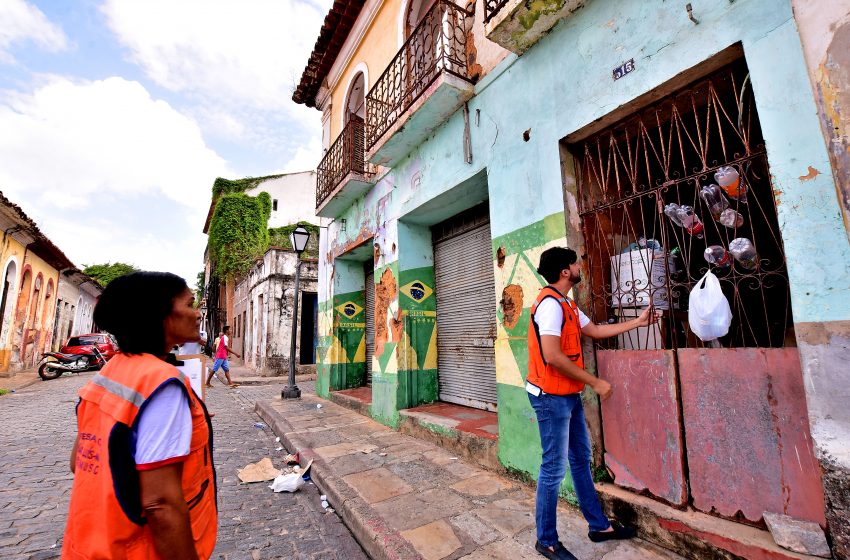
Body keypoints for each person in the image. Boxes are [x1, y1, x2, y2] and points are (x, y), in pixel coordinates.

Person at [62, 272, 217, 560]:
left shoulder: (111, 371)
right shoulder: (161, 383)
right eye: (190, 304)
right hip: (139, 549)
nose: (198, 314)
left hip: (90, 546)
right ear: (160, 315)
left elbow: (79, 461)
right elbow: (161, 503)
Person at [528, 247, 660, 560]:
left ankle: (598, 526)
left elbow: (597, 331)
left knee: (580, 459)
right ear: (565, 271)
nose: (579, 266)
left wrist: (638, 323)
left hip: (567, 395)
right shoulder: (550, 306)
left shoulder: (567, 305)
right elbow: (553, 356)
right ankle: (546, 540)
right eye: (575, 263)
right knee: (553, 469)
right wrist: (595, 382)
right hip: (550, 397)